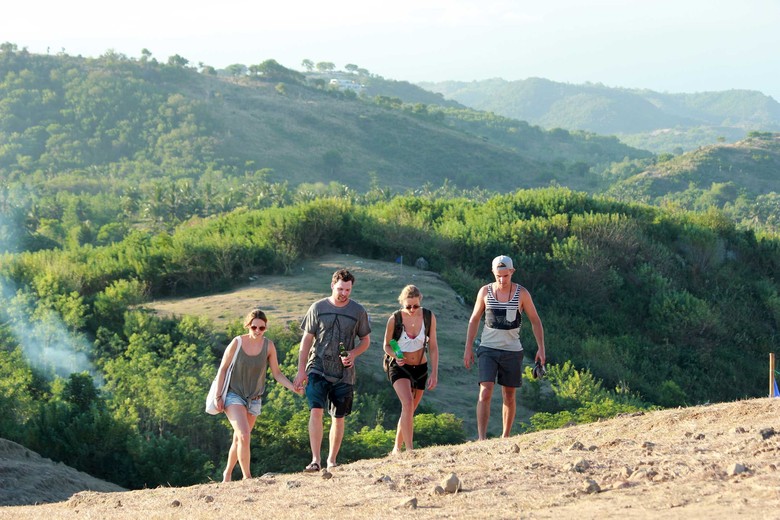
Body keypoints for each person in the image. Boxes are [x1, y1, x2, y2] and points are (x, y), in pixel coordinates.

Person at [293, 269, 371, 472]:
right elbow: (306, 340)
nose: (344, 293)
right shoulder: (317, 307)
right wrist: (301, 370)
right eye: (340, 289)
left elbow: (366, 340)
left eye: (348, 289)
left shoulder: (358, 311)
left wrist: (353, 354)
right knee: (316, 410)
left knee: (338, 416)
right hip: (317, 366)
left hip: (344, 372)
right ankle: (315, 460)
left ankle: (332, 461)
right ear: (332, 285)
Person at [463, 255, 546, 440]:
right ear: (493, 273)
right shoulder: (484, 292)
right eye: (498, 276)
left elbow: (535, 321)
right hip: (488, 348)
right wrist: (468, 347)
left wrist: (541, 348)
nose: (502, 280)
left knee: (509, 395)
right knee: (485, 391)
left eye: (505, 276)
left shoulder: (522, 293)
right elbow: (475, 319)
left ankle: (505, 436)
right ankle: (481, 438)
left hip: (512, 350)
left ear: (512, 272)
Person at [215, 309, 301, 482]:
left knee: (240, 438)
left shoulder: (268, 346)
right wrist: (218, 396)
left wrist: (293, 387)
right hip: (234, 394)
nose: (257, 331)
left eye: (262, 328)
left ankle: (227, 474)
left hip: (254, 398)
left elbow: (276, 373)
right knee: (244, 435)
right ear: (248, 326)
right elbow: (223, 369)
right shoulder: (237, 342)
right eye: (254, 327)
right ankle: (247, 477)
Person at [383, 285, 439, 454]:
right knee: (407, 403)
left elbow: (434, 347)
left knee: (410, 409)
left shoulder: (428, 317)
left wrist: (435, 373)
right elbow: (386, 345)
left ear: (420, 301)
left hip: (420, 367)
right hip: (400, 367)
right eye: (408, 306)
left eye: (415, 306)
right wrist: (395, 355)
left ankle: (396, 448)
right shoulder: (395, 319)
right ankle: (410, 450)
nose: (412, 310)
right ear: (402, 304)